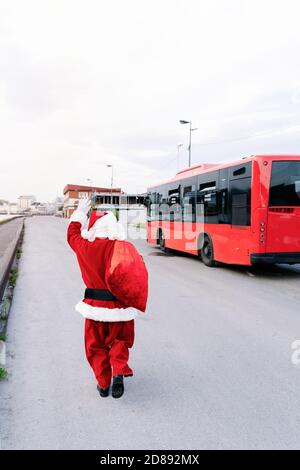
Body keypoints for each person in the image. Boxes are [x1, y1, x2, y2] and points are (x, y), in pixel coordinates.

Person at [67, 198, 148, 399]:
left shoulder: (85, 247)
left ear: (94, 228)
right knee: (120, 341)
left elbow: (72, 235)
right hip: (121, 307)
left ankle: (103, 385)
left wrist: (80, 213)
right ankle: (118, 371)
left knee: (95, 346)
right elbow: (138, 272)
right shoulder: (123, 247)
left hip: (95, 308)